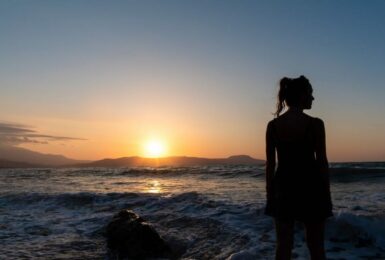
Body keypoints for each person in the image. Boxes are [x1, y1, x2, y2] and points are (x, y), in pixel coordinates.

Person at [264, 76, 333, 260]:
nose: (313, 98)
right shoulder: (316, 124)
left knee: (283, 246)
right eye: (310, 93)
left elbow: (270, 166)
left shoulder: (273, 126)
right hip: (311, 187)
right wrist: (327, 195)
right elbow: (322, 163)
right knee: (316, 246)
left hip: (283, 189)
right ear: (302, 95)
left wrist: (270, 196)